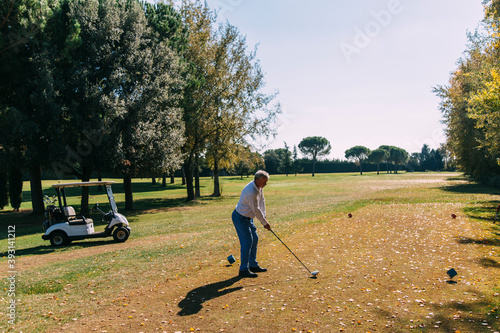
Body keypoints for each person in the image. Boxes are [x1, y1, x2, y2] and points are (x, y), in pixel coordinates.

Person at [231, 170, 272, 278]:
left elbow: (262, 201)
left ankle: (253, 265)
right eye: (264, 182)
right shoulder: (251, 192)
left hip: (248, 218)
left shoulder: (259, 187)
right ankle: (243, 269)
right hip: (240, 218)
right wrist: (264, 223)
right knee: (247, 241)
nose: (266, 184)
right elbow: (256, 210)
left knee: (255, 239)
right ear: (257, 181)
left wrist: (265, 216)